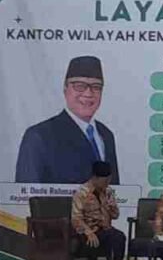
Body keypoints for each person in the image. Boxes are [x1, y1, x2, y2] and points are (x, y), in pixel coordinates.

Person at [15, 56, 119, 184]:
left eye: (96, 87)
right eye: (79, 86)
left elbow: (114, 190)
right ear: (65, 89)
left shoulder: (106, 135)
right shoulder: (39, 136)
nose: (88, 93)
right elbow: (26, 192)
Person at [70, 161, 127, 260]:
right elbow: (76, 218)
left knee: (119, 237)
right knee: (92, 240)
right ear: (95, 178)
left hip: (105, 229)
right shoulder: (81, 193)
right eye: (104, 181)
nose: (107, 184)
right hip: (87, 230)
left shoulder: (108, 191)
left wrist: (112, 207)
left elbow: (115, 216)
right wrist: (88, 232)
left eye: (108, 181)